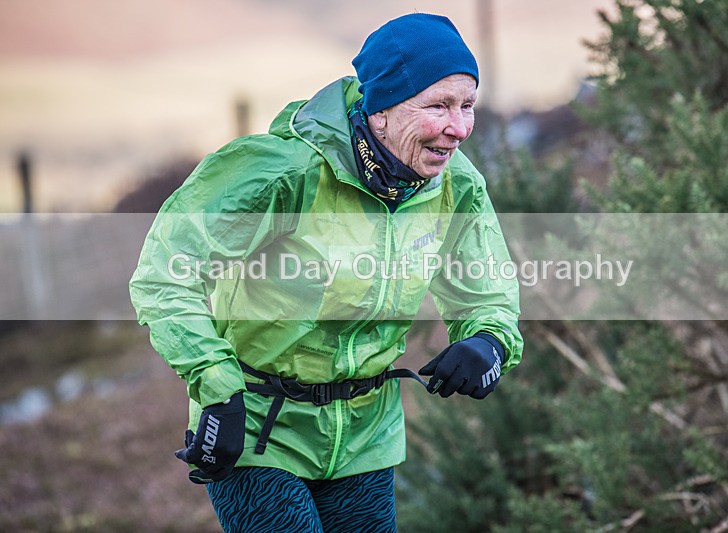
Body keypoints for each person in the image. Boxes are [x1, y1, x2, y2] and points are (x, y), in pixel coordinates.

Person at [130, 12, 523, 533]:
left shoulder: (457, 187)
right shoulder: (278, 172)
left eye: (467, 106)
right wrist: (216, 386)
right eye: (439, 106)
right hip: (257, 427)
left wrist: (488, 342)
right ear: (381, 110)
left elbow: (487, 294)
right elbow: (166, 274)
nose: (459, 128)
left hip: (366, 434)